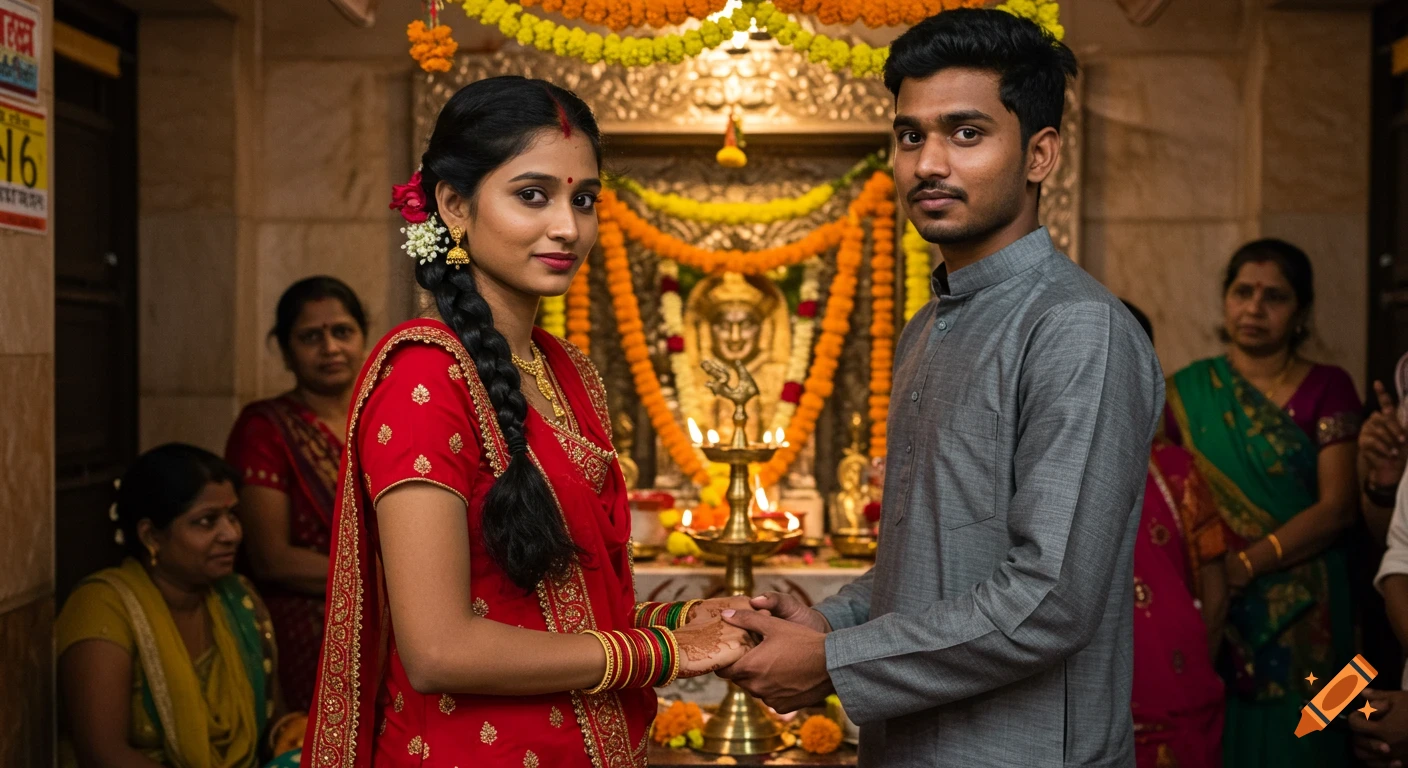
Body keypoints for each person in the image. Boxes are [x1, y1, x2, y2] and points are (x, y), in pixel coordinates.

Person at [717, 10, 1164, 767]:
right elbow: (931, 559)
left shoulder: (1077, 328)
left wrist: (834, 665)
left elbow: (1049, 598)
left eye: (966, 133)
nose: (928, 163)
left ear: (1040, 154)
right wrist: (829, 624)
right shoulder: (929, 327)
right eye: (910, 135)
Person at [299, 77, 753, 768]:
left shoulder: (566, 372)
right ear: (453, 205)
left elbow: (567, 613)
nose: (568, 227)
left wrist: (682, 621)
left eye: (584, 200)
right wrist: (662, 652)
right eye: (531, 195)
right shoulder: (424, 379)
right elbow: (439, 650)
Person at [1162, 238, 1361, 768]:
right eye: (1242, 292)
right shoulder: (1185, 392)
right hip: (1216, 609)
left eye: (1274, 296)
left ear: (1301, 313)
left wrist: (1246, 564)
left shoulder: (1330, 387)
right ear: (1225, 301)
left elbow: (1339, 508)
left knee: (1320, 737)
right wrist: (1217, 578)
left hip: (1318, 608)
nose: (1254, 308)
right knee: (1220, 739)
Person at [56, 444, 304, 768]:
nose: (230, 534)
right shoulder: (104, 607)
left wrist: (294, 737)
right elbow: (103, 754)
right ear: (151, 536)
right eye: (206, 521)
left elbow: (275, 721)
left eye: (233, 516)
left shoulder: (237, 598)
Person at [225, 276, 369, 713]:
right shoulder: (265, 429)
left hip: (394, 620)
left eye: (342, 331)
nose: (330, 348)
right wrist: (378, 581)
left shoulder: (381, 416)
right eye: (311, 337)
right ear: (286, 350)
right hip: (310, 624)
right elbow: (272, 557)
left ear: (364, 337)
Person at [1123, 301, 1229, 768]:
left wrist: (1192, 670)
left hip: (1175, 686)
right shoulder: (1041, 464)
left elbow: (1216, 586)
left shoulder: (1177, 471)